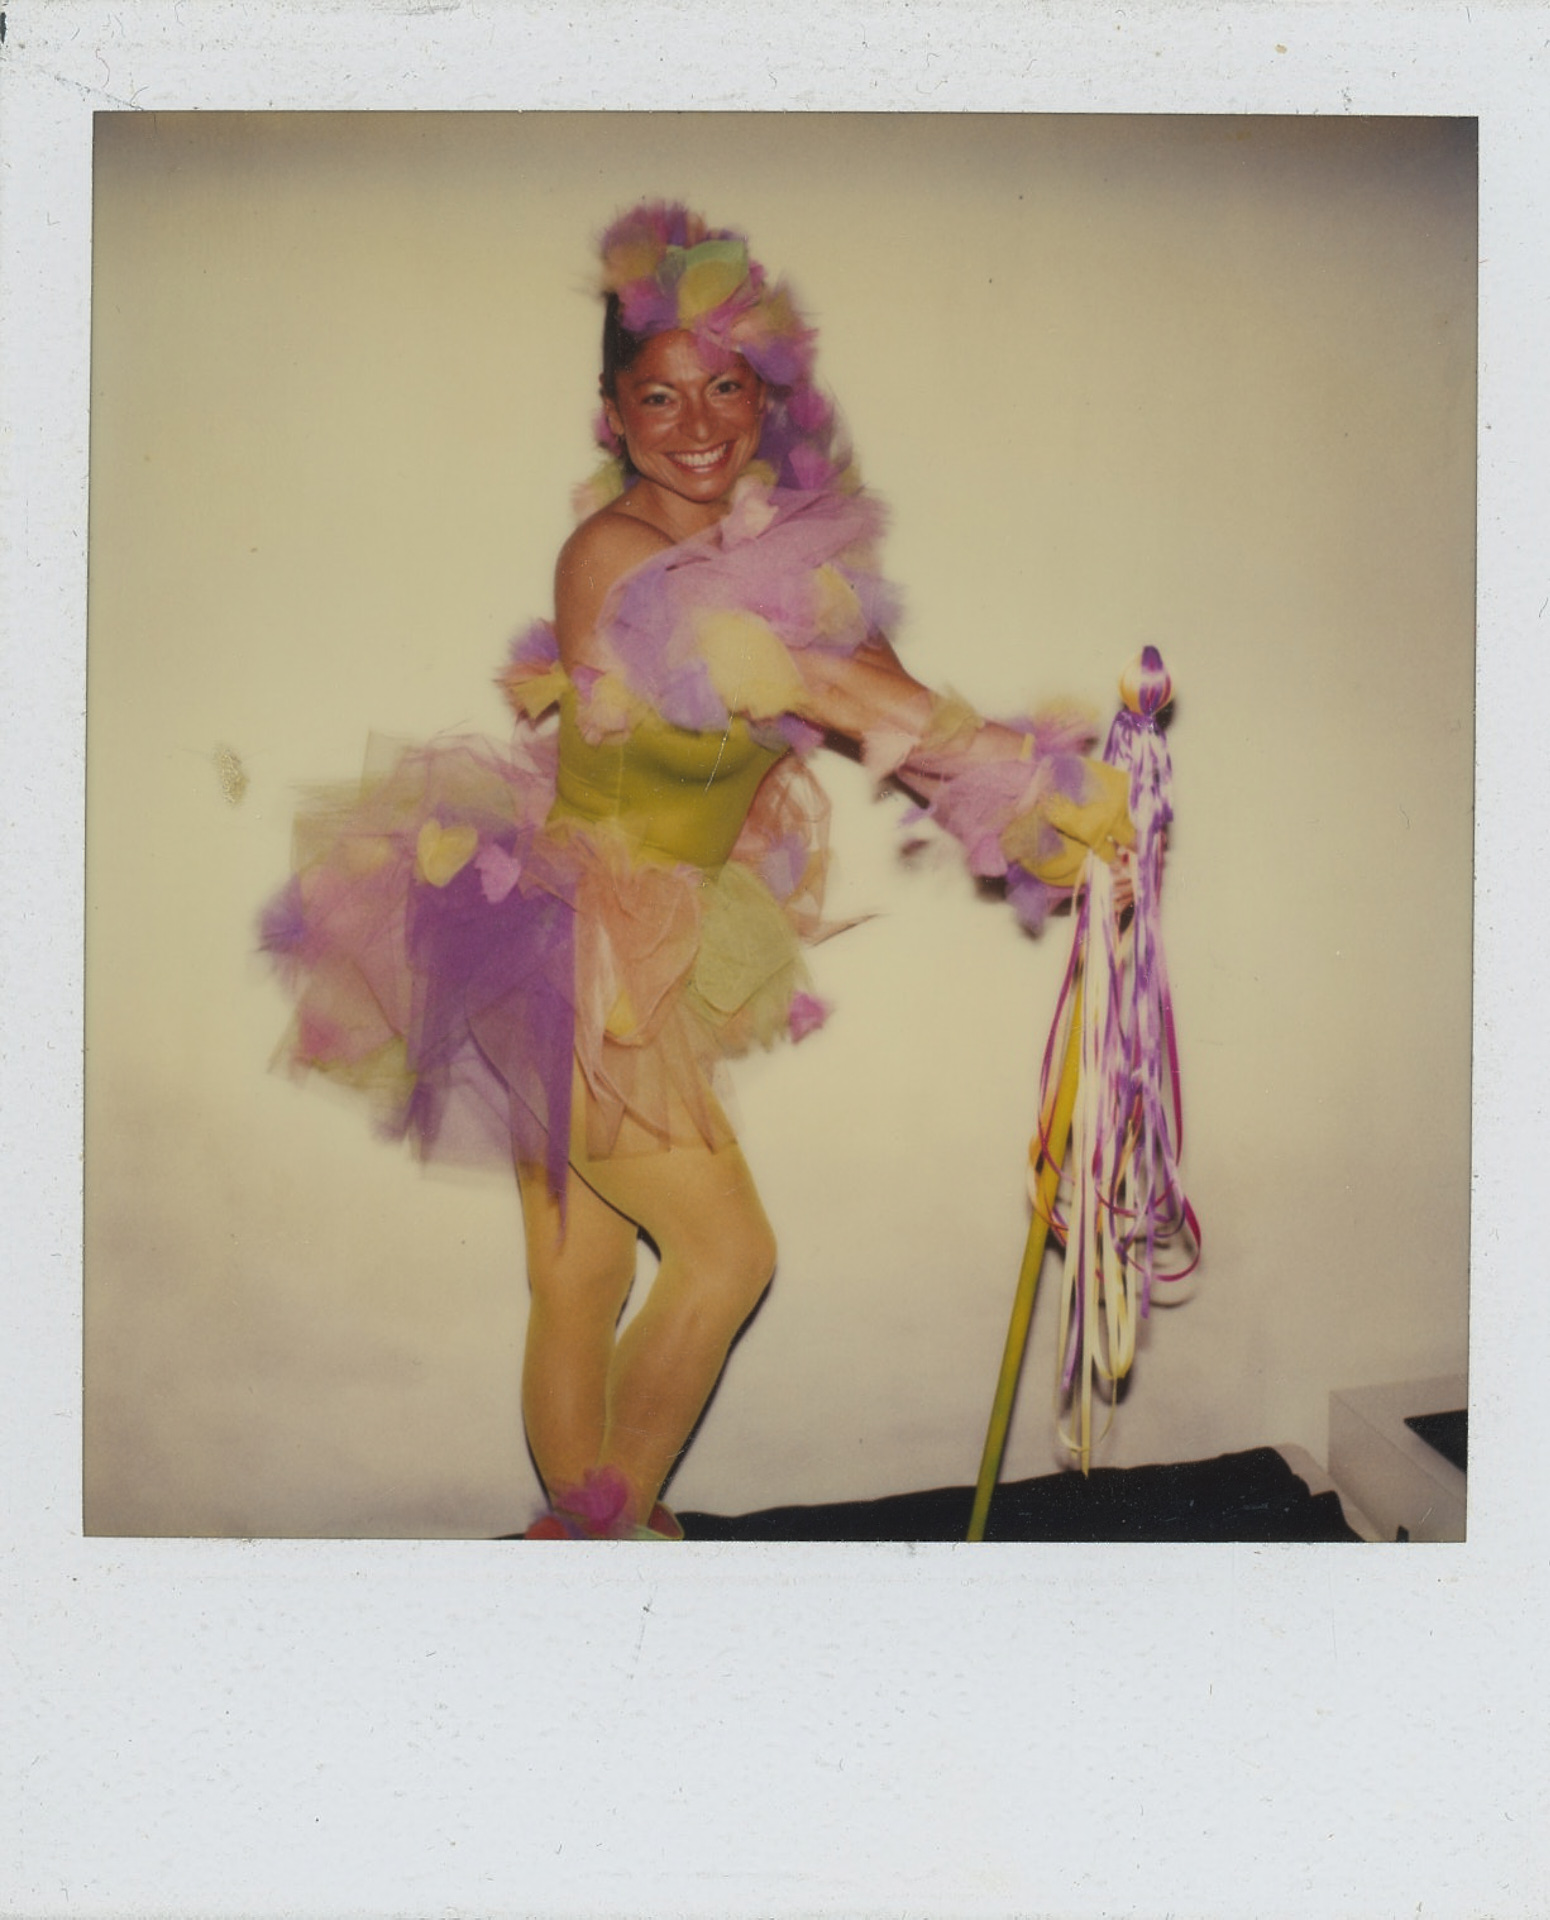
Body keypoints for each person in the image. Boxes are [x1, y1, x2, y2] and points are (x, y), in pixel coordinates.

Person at [261, 203, 1134, 1541]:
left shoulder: (793, 557)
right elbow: (801, 679)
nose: (693, 421)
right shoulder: (610, 556)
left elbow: (888, 701)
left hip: (619, 936)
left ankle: (596, 1553)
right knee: (727, 1255)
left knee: (586, 1268)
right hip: (566, 942)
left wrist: (1036, 808)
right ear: (612, 412)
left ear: (763, 401)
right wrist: (1010, 765)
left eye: (722, 387)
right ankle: (611, 1542)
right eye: (655, 394)